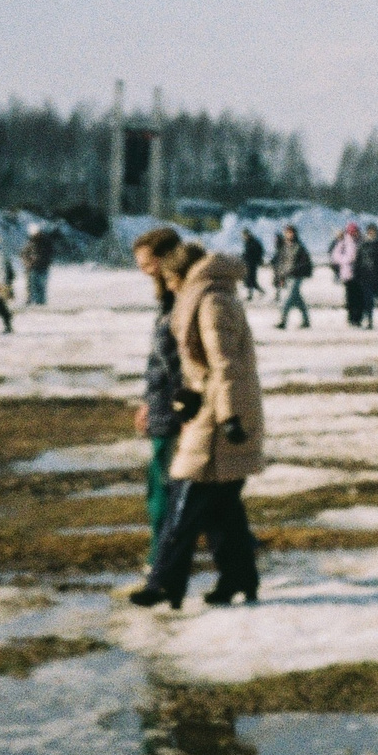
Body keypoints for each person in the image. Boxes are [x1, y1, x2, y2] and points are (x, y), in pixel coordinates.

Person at [132, 236, 265, 609]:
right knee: (222, 508)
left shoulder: (211, 300)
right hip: (213, 407)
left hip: (221, 416)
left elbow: (225, 365)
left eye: (169, 279)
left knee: (185, 496)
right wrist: (189, 393)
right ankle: (239, 577)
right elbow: (204, 365)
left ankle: (163, 582)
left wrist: (229, 416)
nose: (168, 287)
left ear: (181, 275)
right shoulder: (205, 296)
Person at [130, 228, 193, 567]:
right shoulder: (167, 300)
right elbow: (159, 362)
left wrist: (185, 411)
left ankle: (162, 558)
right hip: (162, 405)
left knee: (166, 486)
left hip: (176, 408)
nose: (144, 271)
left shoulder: (185, 301)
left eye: (147, 264)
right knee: (167, 483)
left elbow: (186, 365)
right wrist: (147, 402)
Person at [275, 226, 314, 330]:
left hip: (296, 276)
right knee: (298, 300)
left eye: (291, 232)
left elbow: (305, 263)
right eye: (287, 232)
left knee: (288, 299)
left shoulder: (299, 247)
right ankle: (306, 321)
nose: (289, 235)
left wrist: (296, 270)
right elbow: (281, 263)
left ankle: (283, 321)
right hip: (287, 276)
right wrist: (281, 276)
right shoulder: (284, 246)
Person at [329, 221, 365, 328]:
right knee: (350, 297)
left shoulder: (362, 241)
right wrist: (346, 260)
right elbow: (335, 256)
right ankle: (351, 318)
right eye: (352, 232)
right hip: (348, 273)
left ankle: (358, 319)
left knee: (360, 297)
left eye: (355, 231)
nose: (354, 234)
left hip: (361, 273)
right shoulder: (344, 242)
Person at [21, 223, 58, 307]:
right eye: (36, 233)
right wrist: (27, 263)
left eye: (38, 233)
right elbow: (23, 254)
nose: (37, 234)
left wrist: (47, 262)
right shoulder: (29, 243)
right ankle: (32, 302)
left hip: (42, 268)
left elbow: (51, 254)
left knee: (41, 287)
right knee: (31, 286)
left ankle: (40, 303)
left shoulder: (46, 243)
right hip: (32, 268)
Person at [239, 228, 266, 299]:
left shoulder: (253, 242)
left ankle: (252, 295)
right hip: (248, 263)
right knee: (250, 280)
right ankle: (256, 293)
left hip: (252, 264)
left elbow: (257, 252)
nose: (243, 237)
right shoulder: (248, 242)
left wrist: (258, 260)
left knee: (251, 280)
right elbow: (246, 253)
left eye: (244, 235)